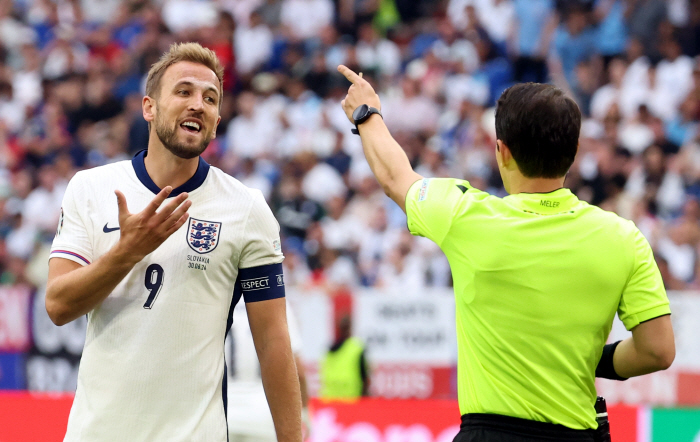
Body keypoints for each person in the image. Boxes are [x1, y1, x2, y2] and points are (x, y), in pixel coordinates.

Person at [337, 65, 675, 441]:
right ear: (575, 151)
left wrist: (366, 113)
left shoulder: (466, 216)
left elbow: (394, 176)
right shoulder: (623, 236)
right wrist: (589, 359)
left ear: (502, 151)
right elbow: (657, 352)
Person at [45, 42, 302, 442]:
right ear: (150, 107)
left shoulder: (246, 209)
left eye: (210, 98)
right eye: (183, 92)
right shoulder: (91, 188)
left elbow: (272, 342)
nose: (198, 104)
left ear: (217, 121)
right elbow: (59, 305)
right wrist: (128, 250)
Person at [226, 301, 312, 442]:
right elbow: (298, 371)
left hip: (225, 415)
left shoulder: (217, 299)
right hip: (263, 416)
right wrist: (305, 411)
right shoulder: (275, 302)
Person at [319, 315, 369, 399]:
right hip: (351, 400)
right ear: (350, 328)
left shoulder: (328, 351)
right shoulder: (356, 348)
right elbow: (364, 377)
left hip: (330, 400)